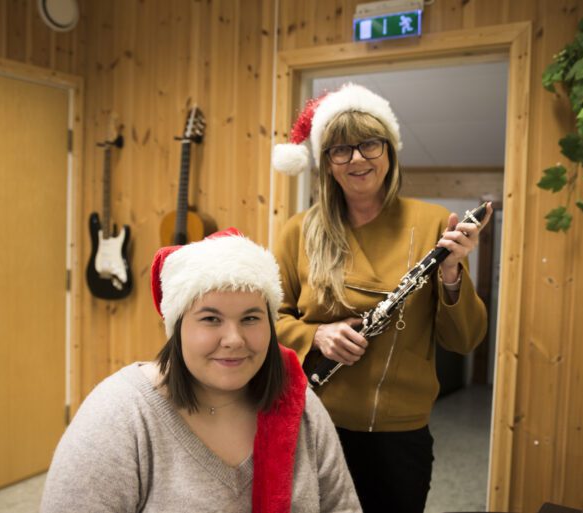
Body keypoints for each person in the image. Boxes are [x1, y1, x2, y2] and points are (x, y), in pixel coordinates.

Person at [271, 83, 491, 513]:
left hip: (400, 435)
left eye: (370, 144)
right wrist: (315, 336)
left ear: (389, 151)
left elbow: (465, 340)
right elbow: (266, 320)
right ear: (327, 165)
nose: (357, 158)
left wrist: (450, 271)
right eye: (340, 149)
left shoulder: (432, 223)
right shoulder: (298, 231)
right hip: (316, 422)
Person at [40, 228, 361, 513]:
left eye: (250, 318)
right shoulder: (119, 416)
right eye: (211, 319)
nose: (234, 340)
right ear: (177, 328)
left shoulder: (300, 405)